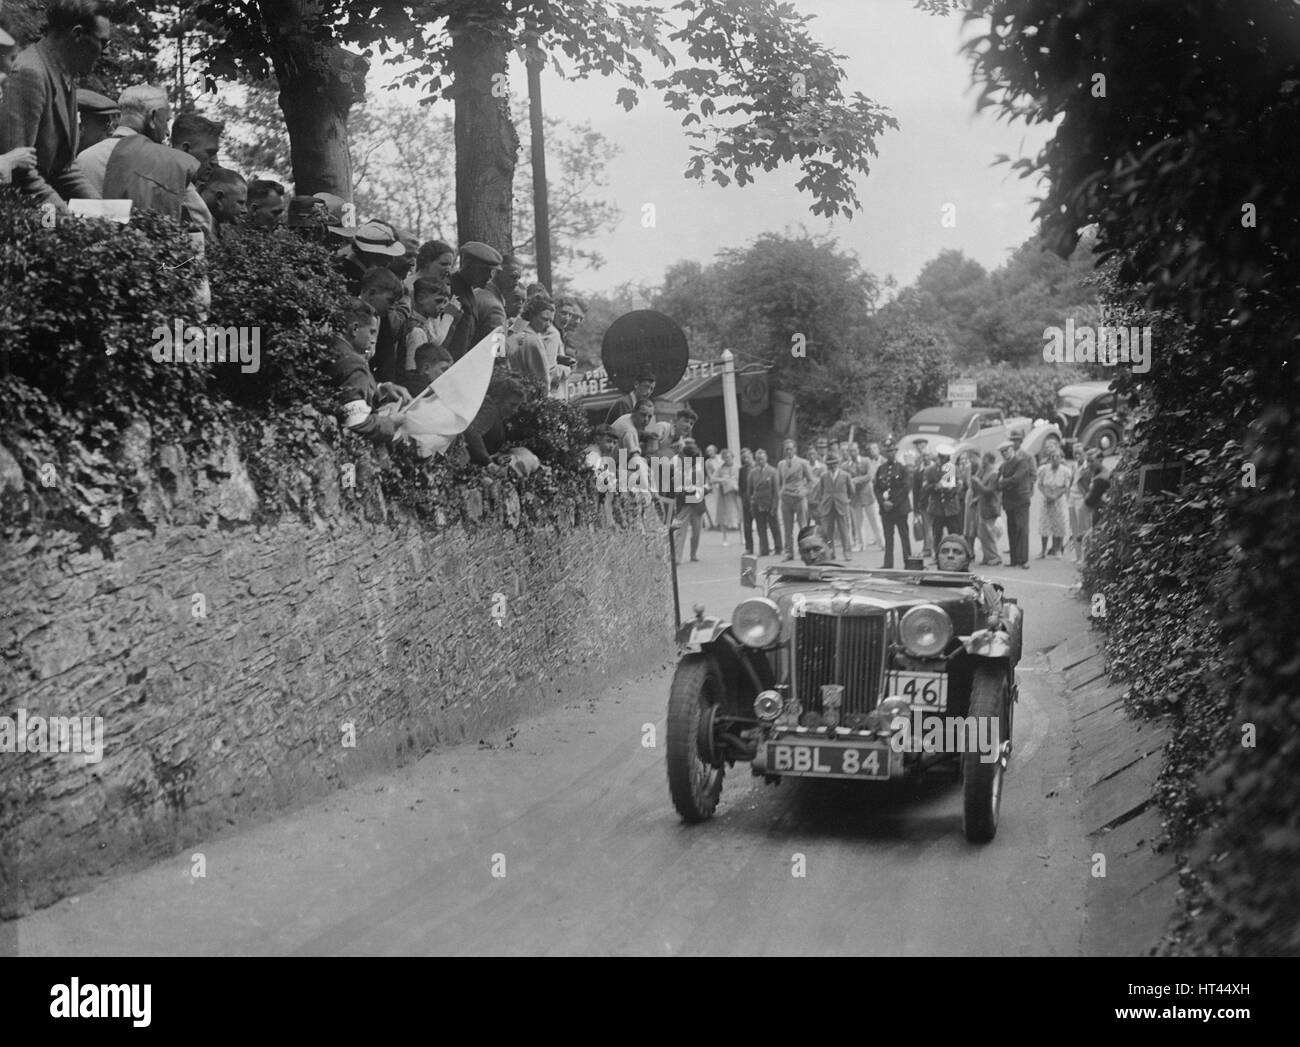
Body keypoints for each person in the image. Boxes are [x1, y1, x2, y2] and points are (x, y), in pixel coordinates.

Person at [0, 0, 112, 209]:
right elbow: (20, 175)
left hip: (42, 210)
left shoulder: (63, 76)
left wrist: (103, 212)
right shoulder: (29, 73)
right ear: (77, 34)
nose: (104, 52)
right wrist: (65, 221)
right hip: (22, 218)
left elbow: (64, 168)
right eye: (103, 43)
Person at [329, 297, 411, 443]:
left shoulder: (330, 346)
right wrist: (391, 422)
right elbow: (356, 422)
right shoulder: (353, 364)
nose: (373, 340)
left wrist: (380, 389)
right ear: (354, 328)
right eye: (372, 332)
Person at [446, 241, 504, 361]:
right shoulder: (450, 289)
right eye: (484, 270)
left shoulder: (469, 291)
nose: (489, 276)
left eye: (491, 272)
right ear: (468, 265)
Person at [934, 533, 1005, 629]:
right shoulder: (924, 584)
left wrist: (995, 619)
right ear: (937, 558)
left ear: (967, 559)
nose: (950, 556)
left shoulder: (983, 587)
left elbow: (1001, 621)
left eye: (957, 552)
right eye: (945, 551)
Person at [355, 266, 405, 384]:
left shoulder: (383, 319)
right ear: (371, 293)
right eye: (390, 301)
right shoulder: (348, 313)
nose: (393, 307)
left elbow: (386, 360)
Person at [464, 375, 526, 466]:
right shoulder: (489, 409)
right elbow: (472, 433)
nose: (515, 410)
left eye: (517, 406)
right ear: (498, 398)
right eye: (512, 404)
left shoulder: (494, 412)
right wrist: (488, 463)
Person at [998, 431, 1035, 569]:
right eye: (1002, 452)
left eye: (1006, 451)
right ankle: (1014, 559)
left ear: (1012, 449)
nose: (1004, 454)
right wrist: (1004, 482)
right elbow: (998, 482)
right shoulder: (1003, 466)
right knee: (1012, 530)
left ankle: (1023, 560)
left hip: (1021, 500)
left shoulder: (1022, 462)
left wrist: (1004, 482)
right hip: (1009, 501)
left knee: (1022, 529)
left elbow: (1016, 479)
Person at [873, 437, 912, 569]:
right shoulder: (881, 469)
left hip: (900, 509)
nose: (890, 453)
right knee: (888, 538)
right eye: (887, 451)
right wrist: (883, 503)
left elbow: (906, 488)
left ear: (896, 451)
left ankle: (908, 562)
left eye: (892, 451)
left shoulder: (902, 468)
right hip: (886, 510)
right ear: (885, 452)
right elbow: (877, 488)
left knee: (904, 537)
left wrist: (893, 503)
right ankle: (888, 563)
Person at [777, 439, 815, 561]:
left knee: (803, 526)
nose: (788, 451)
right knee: (787, 528)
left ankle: (805, 550)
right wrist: (781, 492)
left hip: (799, 498)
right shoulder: (781, 464)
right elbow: (778, 482)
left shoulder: (802, 463)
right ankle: (789, 552)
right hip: (786, 499)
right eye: (786, 449)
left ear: (795, 449)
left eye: (790, 448)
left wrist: (804, 492)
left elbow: (811, 481)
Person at [925, 443, 965, 560]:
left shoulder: (953, 469)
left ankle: (957, 555)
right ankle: (937, 556)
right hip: (937, 507)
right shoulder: (931, 470)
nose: (945, 461)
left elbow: (960, 485)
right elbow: (925, 488)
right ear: (939, 457)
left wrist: (952, 489)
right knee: (937, 534)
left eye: (947, 458)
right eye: (943, 458)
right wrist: (936, 486)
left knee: (954, 534)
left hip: (951, 507)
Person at [813, 451, 854, 560]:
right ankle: (830, 552)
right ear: (827, 465)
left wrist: (845, 500)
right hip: (827, 506)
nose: (832, 466)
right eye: (830, 464)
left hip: (842, 505)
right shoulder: (823, 476)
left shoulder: (845, 475)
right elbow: (820, 491)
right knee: (827, 532)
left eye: (834, 463)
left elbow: (851, 491)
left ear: (838, 463)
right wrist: (823, 502)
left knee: (844, 530)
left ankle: (847, 552)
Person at [674, 440, 709, 563]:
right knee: (680, 531)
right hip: (685, 502)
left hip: (697, 503)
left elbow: (704, 484)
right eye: (693, 456)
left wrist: (703, 489)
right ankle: (677, 557)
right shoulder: (680, 467)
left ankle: (693, 554)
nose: (696, 458)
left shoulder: (699, 467)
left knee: (697, 531)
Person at [1036, 445, 1072, 558]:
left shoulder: (1065, 471)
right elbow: (1040, 485)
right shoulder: (1044, 470)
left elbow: (1066, 487)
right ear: (1049, 458)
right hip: (1046, 499)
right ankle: (1043, 551)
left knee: (1059, 524)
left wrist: (1055, 496)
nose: (1055, 459)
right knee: (1045, 525)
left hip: (1058, 500)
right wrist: (1047, 495)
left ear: (1061, 458)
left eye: (1058, 457)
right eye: (1053, 457)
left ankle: (1058, 550)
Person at [969, 451, 1004, 566]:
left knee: (988, 533)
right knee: (982, 533)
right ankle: (987, 556)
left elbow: (988, 491)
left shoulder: (994, 473)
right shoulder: (984, 472)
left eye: (984, 459)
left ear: (988, 460)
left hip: (990, 506)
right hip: (982, 505)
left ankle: (994, 556)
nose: (982, 461)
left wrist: (978, 483)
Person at [747, 448, 782, 557]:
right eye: (758, 459)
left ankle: (778, 548)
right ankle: (764, 549)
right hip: (758, 504)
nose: (760, 461)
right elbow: (750, 490)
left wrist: (774, 506)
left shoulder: (772, 471)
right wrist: (752, 503)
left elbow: (776, 491)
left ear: (766, 458)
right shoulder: (753, 473)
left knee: (774, 527)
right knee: (760, 528)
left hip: (770, 503)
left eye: (762, 459)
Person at [199, 166, 246, 235]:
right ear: (219, 198)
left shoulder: (217, 226)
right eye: (241, 203)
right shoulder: (196, 225)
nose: (245, 210)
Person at [1067, 443, 1092, 563]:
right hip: (1072, 497)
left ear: (1085, 454)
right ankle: (1078, 555)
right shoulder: (1073, 466)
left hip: (1081, 499)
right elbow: (1072, 481)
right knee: (1074, 528)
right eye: (1075, 454)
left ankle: (1086, 556)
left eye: (1079, 453)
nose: (1077, 456)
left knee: (1084, 528)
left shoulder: (1088, 467)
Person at [714, 448, 742, 545]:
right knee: (723, 515)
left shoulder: (738, 467)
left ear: (732, 457)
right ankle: (725, 538)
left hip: (736, 494)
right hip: (724, 495)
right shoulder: (720, 468)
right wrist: (723, 480)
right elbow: (713, 479)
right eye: (725, 457)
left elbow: (742, 479)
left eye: (728, 457)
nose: (727, 459)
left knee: (740, 513)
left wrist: (737, 485)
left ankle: (742, 537)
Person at [738, 447, 756, 554]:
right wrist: (743, 497)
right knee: (747, 525)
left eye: (747, 456)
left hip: (757, 499)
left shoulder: (757, 467)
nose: (746, 459)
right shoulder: (742, 470)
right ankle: (749, 548)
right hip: (746, 500)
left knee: (762, 524)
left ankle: (766, 546)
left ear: (751, 455)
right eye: (743, 457)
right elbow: (741, 486)